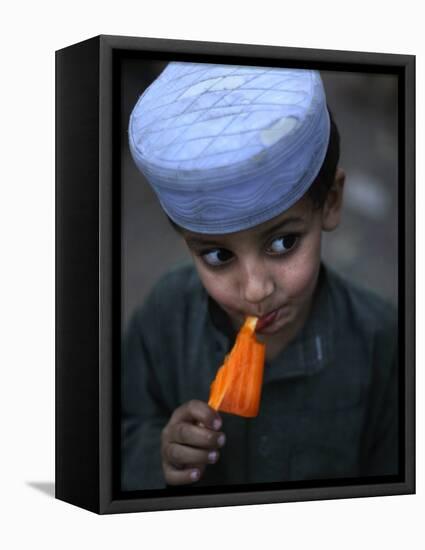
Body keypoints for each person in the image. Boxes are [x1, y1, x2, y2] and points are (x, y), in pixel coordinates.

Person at [122, 62, 398, 491]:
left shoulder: (383, 341)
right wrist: (157, 452)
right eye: (217, 255)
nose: (255, 290)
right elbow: (111, 428)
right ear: (188, 245)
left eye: (284, 243)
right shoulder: (164, 318)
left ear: (330, 203)